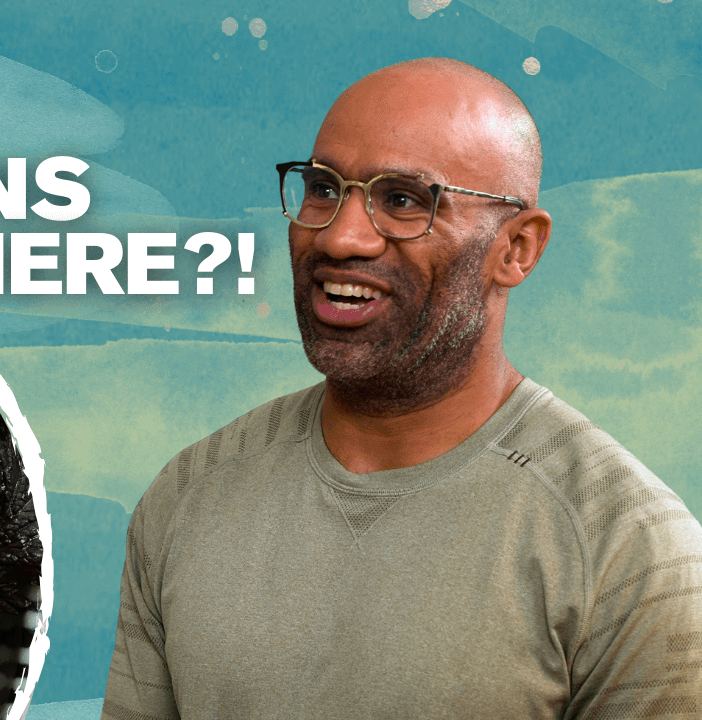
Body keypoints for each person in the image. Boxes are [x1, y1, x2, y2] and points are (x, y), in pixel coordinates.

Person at [101, 57, 702, 719]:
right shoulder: (190, 498)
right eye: (323, 189)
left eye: (405, 200)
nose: (341, 236)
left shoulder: (628, 549)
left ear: (517, 249)